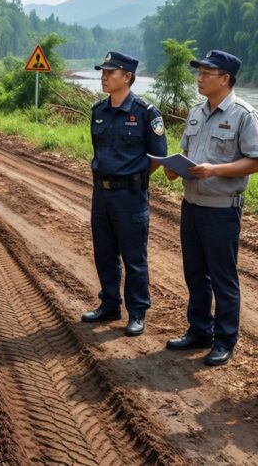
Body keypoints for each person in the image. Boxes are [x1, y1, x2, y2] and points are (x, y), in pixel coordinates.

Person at [163, 50, 258, 366]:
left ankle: (224, 340)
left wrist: (215, 170)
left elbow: (256, 162)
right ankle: (198, 330)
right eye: (200, 72)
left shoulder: (243, 115)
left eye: (208, 73)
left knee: (222, 277)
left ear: (225, 79)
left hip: (222, 209)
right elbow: (186, 152)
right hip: (191, 204)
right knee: (194, 273)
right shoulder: (196, 112)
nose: (200, 78)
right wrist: (172, 168)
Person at [82, 51, 168, 336]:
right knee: (104, 252)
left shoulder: (146, 113)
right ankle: (109, 303)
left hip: (130, 196)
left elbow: (158, 157)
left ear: (128, 77)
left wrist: (133, 178)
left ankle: (137, 312)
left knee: (134, 257)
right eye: (103, 72)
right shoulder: (98, 111)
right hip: (101, 193)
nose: (104, 76)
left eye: (111, 72)